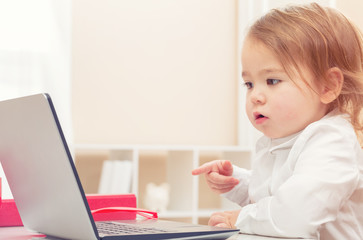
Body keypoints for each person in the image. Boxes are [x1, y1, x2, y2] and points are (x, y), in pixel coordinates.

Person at [192, 3, 363, 239]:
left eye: (272, 81)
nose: (255, 96)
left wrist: (239, 218)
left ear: (328, 86)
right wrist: (237, 182)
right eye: (249, 84)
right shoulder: (283, 140)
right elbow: (275, 195)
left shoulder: (333, 142)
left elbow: (294, 216)